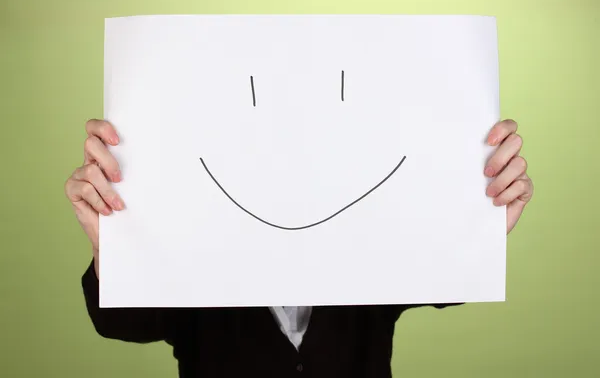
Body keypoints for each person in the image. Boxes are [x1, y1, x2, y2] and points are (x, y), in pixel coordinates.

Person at [65, 118, 534, 378]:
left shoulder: (370, 235)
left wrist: (485, 215)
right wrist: (116, 246)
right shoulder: (195, 234)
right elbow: (125, 322)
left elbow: (443, 275)